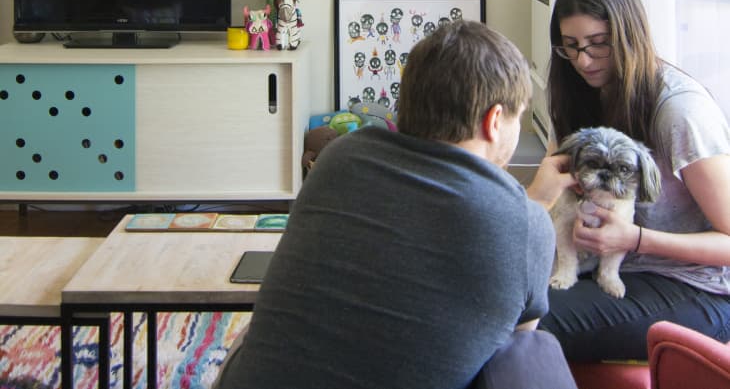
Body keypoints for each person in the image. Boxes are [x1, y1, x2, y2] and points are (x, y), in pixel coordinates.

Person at [214, 20, 577, 389]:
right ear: (495, 120)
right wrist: (535, 208)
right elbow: (514, 341)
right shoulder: (529, 226)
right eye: (519, 116)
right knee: (528, 351)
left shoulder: (340, 156)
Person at [536, 0, 730, 362]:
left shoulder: (680, 112)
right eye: (570, 46)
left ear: (628, 35)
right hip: (614, 266)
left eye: (598, 44)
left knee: (527, 322)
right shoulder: (582, 94)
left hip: (695, 287)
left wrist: (634, 239)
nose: (583, 61)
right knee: (490, 298)